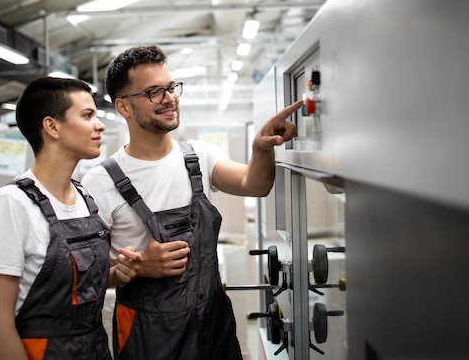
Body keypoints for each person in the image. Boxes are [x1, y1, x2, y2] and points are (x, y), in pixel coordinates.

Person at [80, 45, 302, 360]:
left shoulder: (197, 156)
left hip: (213, 323)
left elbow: (254, 183)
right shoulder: (100, 184)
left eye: (171, 88)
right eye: (154, 92)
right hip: (149, 336)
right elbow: (84, 280)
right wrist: (141, 267)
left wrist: (261, 148)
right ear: (124, 107)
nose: (169, 98)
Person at [0, 76, 141, 360]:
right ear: (52, 126)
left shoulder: (85, 199)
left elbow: (76, 290)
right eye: (87, 115)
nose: (100, 125)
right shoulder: (12, 205)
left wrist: (116, 274)